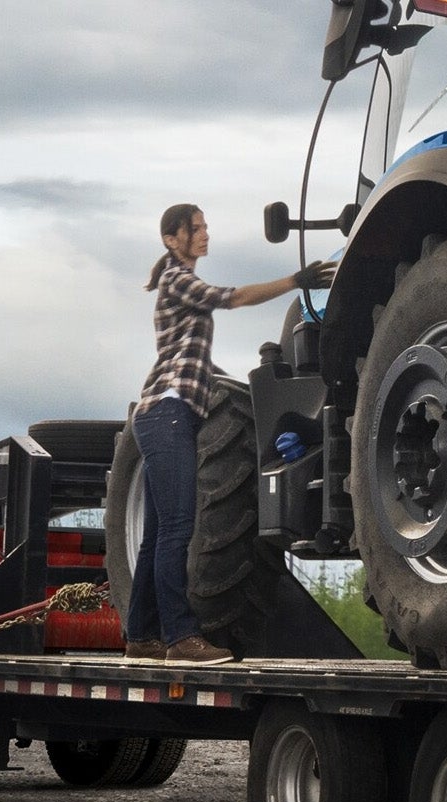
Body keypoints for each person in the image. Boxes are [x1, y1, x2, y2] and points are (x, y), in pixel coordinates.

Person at [122, 203, 333, 664]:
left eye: (204, 227)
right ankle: (180, 637)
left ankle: (140, 636)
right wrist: (294, 283)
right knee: (178, 527)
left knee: (158, 532)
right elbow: (233, 298)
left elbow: (191, 358)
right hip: (167, 413)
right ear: (171, 239)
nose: (204, 234)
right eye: (195, 229)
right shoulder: (178, 279)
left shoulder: (178, 282)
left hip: (171, 413)